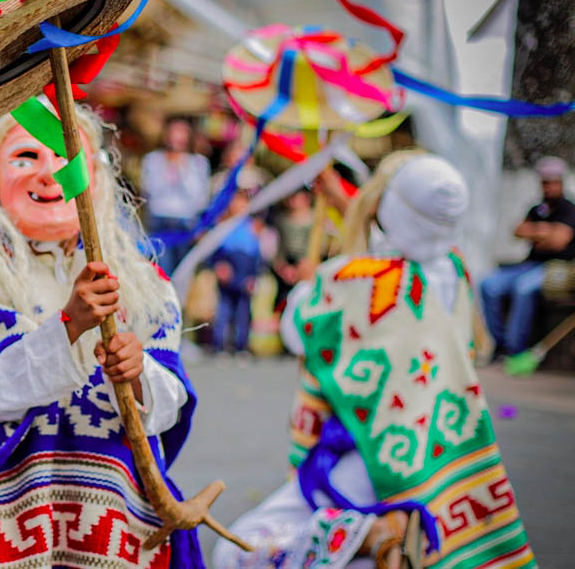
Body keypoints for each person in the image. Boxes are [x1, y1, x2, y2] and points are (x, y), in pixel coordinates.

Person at [0, 103, 205, 568]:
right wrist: (68, 327)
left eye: (66, 157)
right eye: (26, 156)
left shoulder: (143, 284)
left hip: (119, 518)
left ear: (98, 177)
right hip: (12, 520)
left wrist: (138, 372)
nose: (49, 174)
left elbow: (170, 401)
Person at [214, 152, 535, 569]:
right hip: (428, 469)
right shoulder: (454, 272)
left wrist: (311, 283)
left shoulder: (355, 280)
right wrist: (344, 204)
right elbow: (404, 242)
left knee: (235, 552)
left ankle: (362, 536)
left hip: (362, 466)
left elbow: (294, 329)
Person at [480, 156, 575, 356]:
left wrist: (536, 232)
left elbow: (559, 241)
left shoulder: (568, 209)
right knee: (488, 285)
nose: (547, 187)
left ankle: (516, 349)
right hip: (529, 264)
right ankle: (501, 345)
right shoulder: (537, 208)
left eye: (551, 182)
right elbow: (517, 231)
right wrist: (545, 231)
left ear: (560, 182)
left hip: (555, 268)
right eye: (544, 183)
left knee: (522, 288)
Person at [141, 115, 212, 274]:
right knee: (161, 271)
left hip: (185, 224)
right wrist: (167, 169)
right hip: (160, 222)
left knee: (182, 272)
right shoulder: (152, 160)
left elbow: (199, 197)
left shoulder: (198, 163)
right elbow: (150, 191)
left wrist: (182, 169)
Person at [209, 189, 264, 357]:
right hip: (228, 272)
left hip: (244, 272)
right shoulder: (223, 226)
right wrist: (219, 266)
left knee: (243, 312)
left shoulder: (252, 228)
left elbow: (256, 255)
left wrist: (253, 276)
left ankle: (241, 345)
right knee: (224, 311)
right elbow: (214, 252)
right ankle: (221, 345)